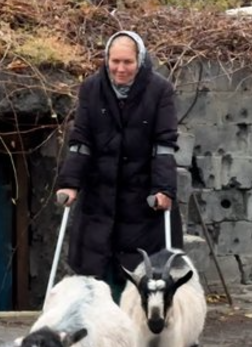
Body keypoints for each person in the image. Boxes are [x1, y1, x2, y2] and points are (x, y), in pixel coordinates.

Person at [56, 30, 183, 301]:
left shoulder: (160, 90)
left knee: (138, 270)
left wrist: (163, 189)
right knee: (96, 265)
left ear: (140, 60)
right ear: (106, 59)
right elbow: (81, 140)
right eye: (115, 61)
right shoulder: (91, 88)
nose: (120, 68)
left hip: (142, 195)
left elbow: (164, 144)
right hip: (100, 192)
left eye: (127, 62)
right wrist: (70, 183)